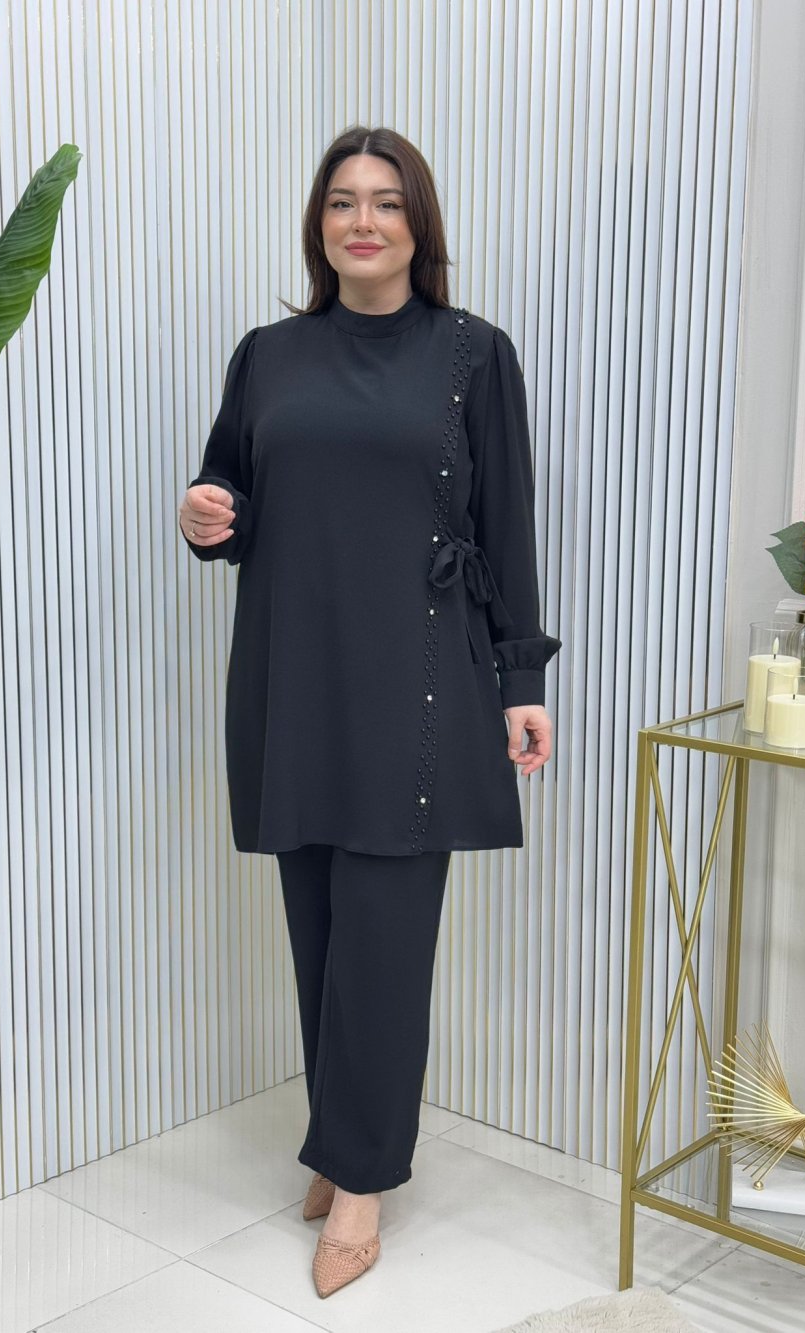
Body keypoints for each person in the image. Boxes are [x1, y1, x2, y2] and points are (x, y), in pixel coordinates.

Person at [178, 126, 561, 1299]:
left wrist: (522, 677)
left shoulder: (472, 355)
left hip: (420, 681)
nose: (363, 221)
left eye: (386, 202)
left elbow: (506, 524)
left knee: (386, 940)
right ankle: (341, 1137)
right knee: (319, 929)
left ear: (417, 225)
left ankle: (359, 1184)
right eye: (342, 201)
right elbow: (233, 491)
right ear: (320, 225)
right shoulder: (267, 356)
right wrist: (206, 514)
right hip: (292, 674)